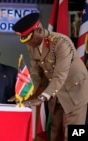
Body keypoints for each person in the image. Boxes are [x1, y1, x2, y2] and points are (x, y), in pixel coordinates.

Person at [12, 12, 88, 141]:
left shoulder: (61, 43)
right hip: (55, 93)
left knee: (73, 133)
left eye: (30, 39)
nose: (28, 44)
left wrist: (41, 97)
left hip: (75, 92)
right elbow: (36, 73)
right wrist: (25, 92)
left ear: (39, 30)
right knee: (55, 132)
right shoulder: (32, 45)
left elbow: (60, 75)